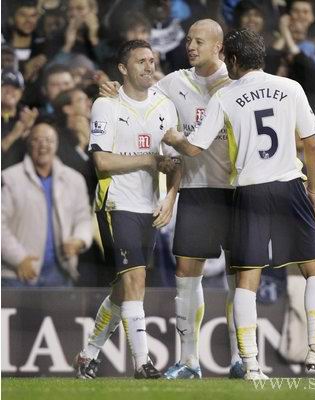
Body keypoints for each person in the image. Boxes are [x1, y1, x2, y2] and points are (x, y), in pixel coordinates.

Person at [163, 28, 315, 380]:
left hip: (248, 192)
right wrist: (314, 189)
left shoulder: (226, 95)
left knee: (247, 279)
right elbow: (312, 145)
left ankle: (250, 365)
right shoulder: (290, 87)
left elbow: (194, 148)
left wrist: (172, 136)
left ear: (231, 59)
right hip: (290, 186)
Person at [100, 19, 244, 380]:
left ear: (218, 48)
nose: (190, 46)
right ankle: (189, 362)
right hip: (196, 191)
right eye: (188, 40)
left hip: (237, 189)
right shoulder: (174, 82)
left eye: (198, 41)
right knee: (186, 274)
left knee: (239, 276)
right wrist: (110, 87)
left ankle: (241, 358)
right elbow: (137, 92)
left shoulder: (239, 84)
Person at [74, 39, 180, 380]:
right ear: (123, 69)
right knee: (135, 279)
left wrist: (171, 197)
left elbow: (174, 158)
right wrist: (149, 159)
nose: (149, 66)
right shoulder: (106, 105)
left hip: (149, 204)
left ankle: (88, 355)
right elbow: (102, 161)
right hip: (116, 202)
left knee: (125, 289)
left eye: (152, 60)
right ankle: (143, 363)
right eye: (140, 61)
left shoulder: (164, 105)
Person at [2, 121, 93, 287]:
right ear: (29, 145)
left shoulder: (74, 179)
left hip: (60, 273)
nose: (43, 145)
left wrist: (79, 240)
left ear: (57, 145)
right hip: (17, 274)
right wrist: (19, 259)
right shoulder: (9, 179)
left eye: (49, 140)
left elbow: (83, 218)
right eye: (37, 140)